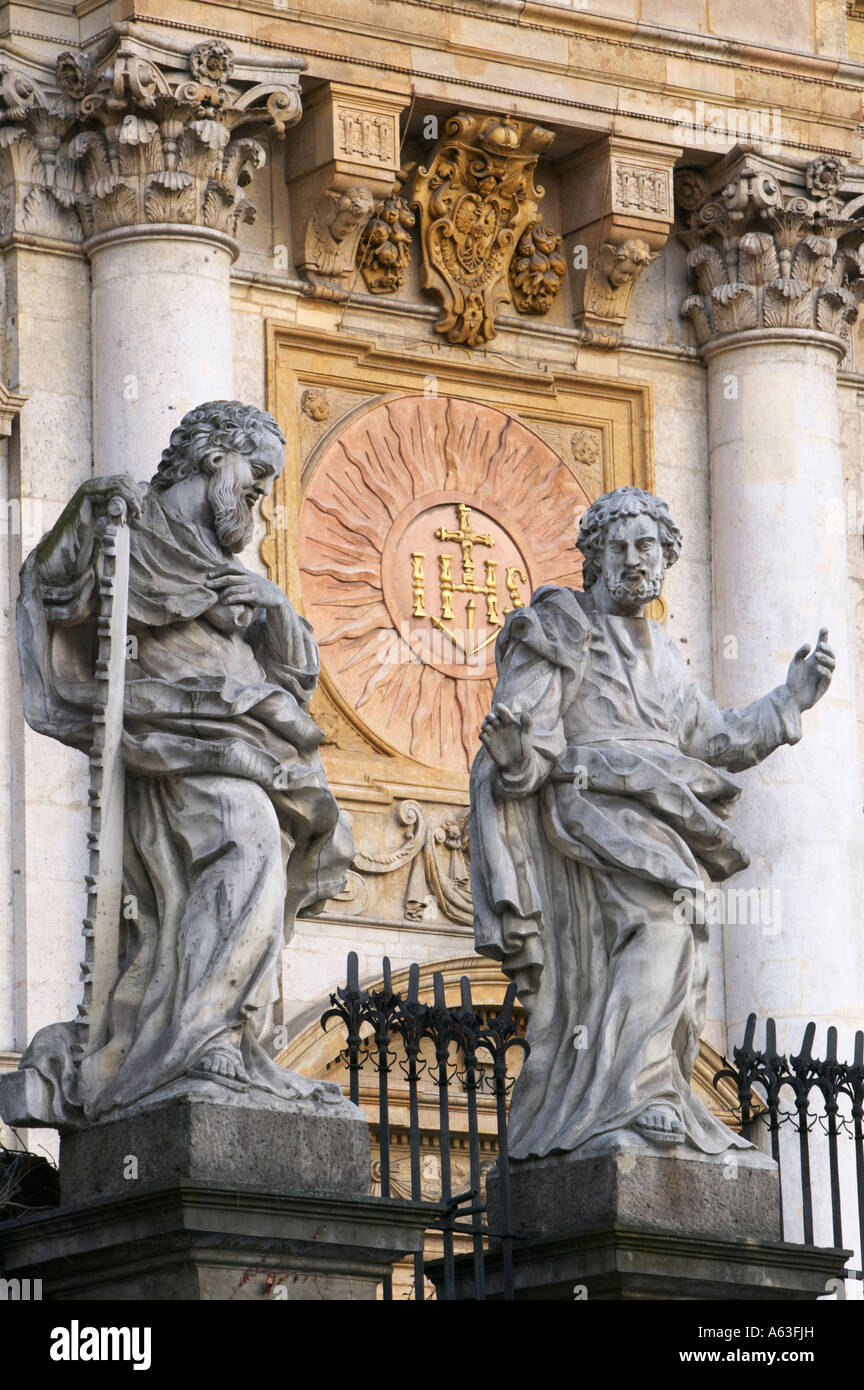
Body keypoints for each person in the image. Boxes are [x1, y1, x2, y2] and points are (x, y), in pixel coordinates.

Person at [13, 401, 354, 1124]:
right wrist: (85, 513)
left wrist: (271, 605)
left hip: (247, 736)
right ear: (213, 456)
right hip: (173, 735)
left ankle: (215, 1035)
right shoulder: (129, 523)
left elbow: (294, 676)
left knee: (250, 869)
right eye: (256, 476)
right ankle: (201, 1043)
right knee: (248, 839)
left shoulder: (231, 570)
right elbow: (50, 584)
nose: (261, 495)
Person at [470, 486, 835, 1157]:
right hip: (592, 801)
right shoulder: (561, 628)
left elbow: (715, 739)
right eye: (620, 547)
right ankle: (630, 1097)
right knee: (669, 917)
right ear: (595, 559)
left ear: (667, 560)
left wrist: (790, 699)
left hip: (665, 809)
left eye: (649, 547)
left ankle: (644, 1091)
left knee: (683, 942)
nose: (635, 560)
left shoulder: (665, 654)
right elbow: (524, 733)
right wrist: (516, 752)